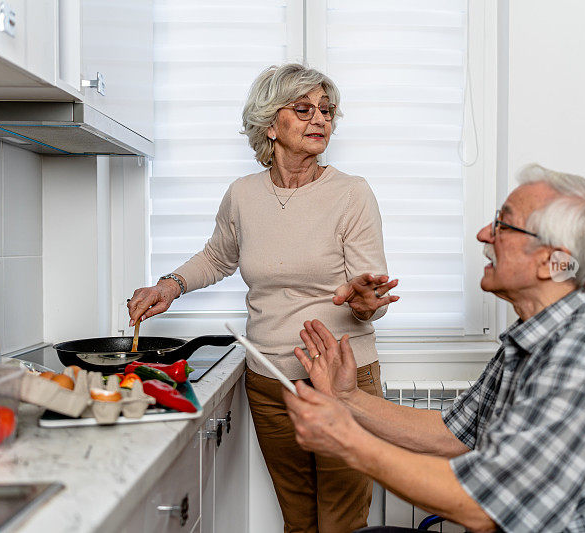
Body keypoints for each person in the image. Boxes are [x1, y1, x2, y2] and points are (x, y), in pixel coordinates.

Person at [282, 164, 585, 532]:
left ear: (554, 262)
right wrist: (346, 398)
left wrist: (348, 441)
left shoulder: (583, 355)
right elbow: (451, 434)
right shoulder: (533, 334)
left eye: (504, 225)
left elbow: (483, 507)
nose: (483, 235)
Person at [127, 63, 399, 533]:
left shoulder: (351, 194)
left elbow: (366, 291)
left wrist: (364, 301)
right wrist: (168, 285)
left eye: (327, 111)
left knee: (341, 523)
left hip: (340, 377)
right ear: (270, 125)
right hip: (269, 380)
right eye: (304, 109)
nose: (321, 120)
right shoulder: (242, 195)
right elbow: (217, 257)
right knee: (297, 519)